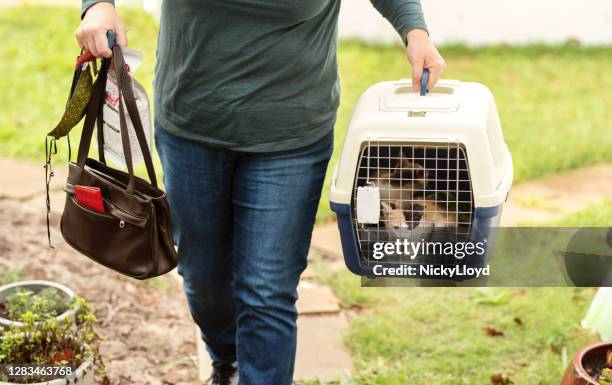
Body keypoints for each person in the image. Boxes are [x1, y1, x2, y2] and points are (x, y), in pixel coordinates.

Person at [76, 1, 445, 384]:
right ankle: (227, 359)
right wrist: (98, 7)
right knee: (203, 278)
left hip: (291, 133)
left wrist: (415, 31)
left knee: (267, 292)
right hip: (192, 123)